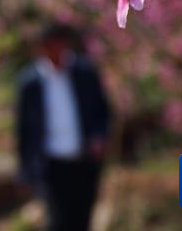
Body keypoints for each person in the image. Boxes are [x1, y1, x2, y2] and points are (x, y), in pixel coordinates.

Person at [16, 23, 112, 231]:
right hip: (51, 164)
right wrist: (25, 170)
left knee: (82, 217)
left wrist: (99, 136)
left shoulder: (85, 72)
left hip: (84, 160)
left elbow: (102, 110)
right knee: (58, 220)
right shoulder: (31, 83)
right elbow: (25, 128)